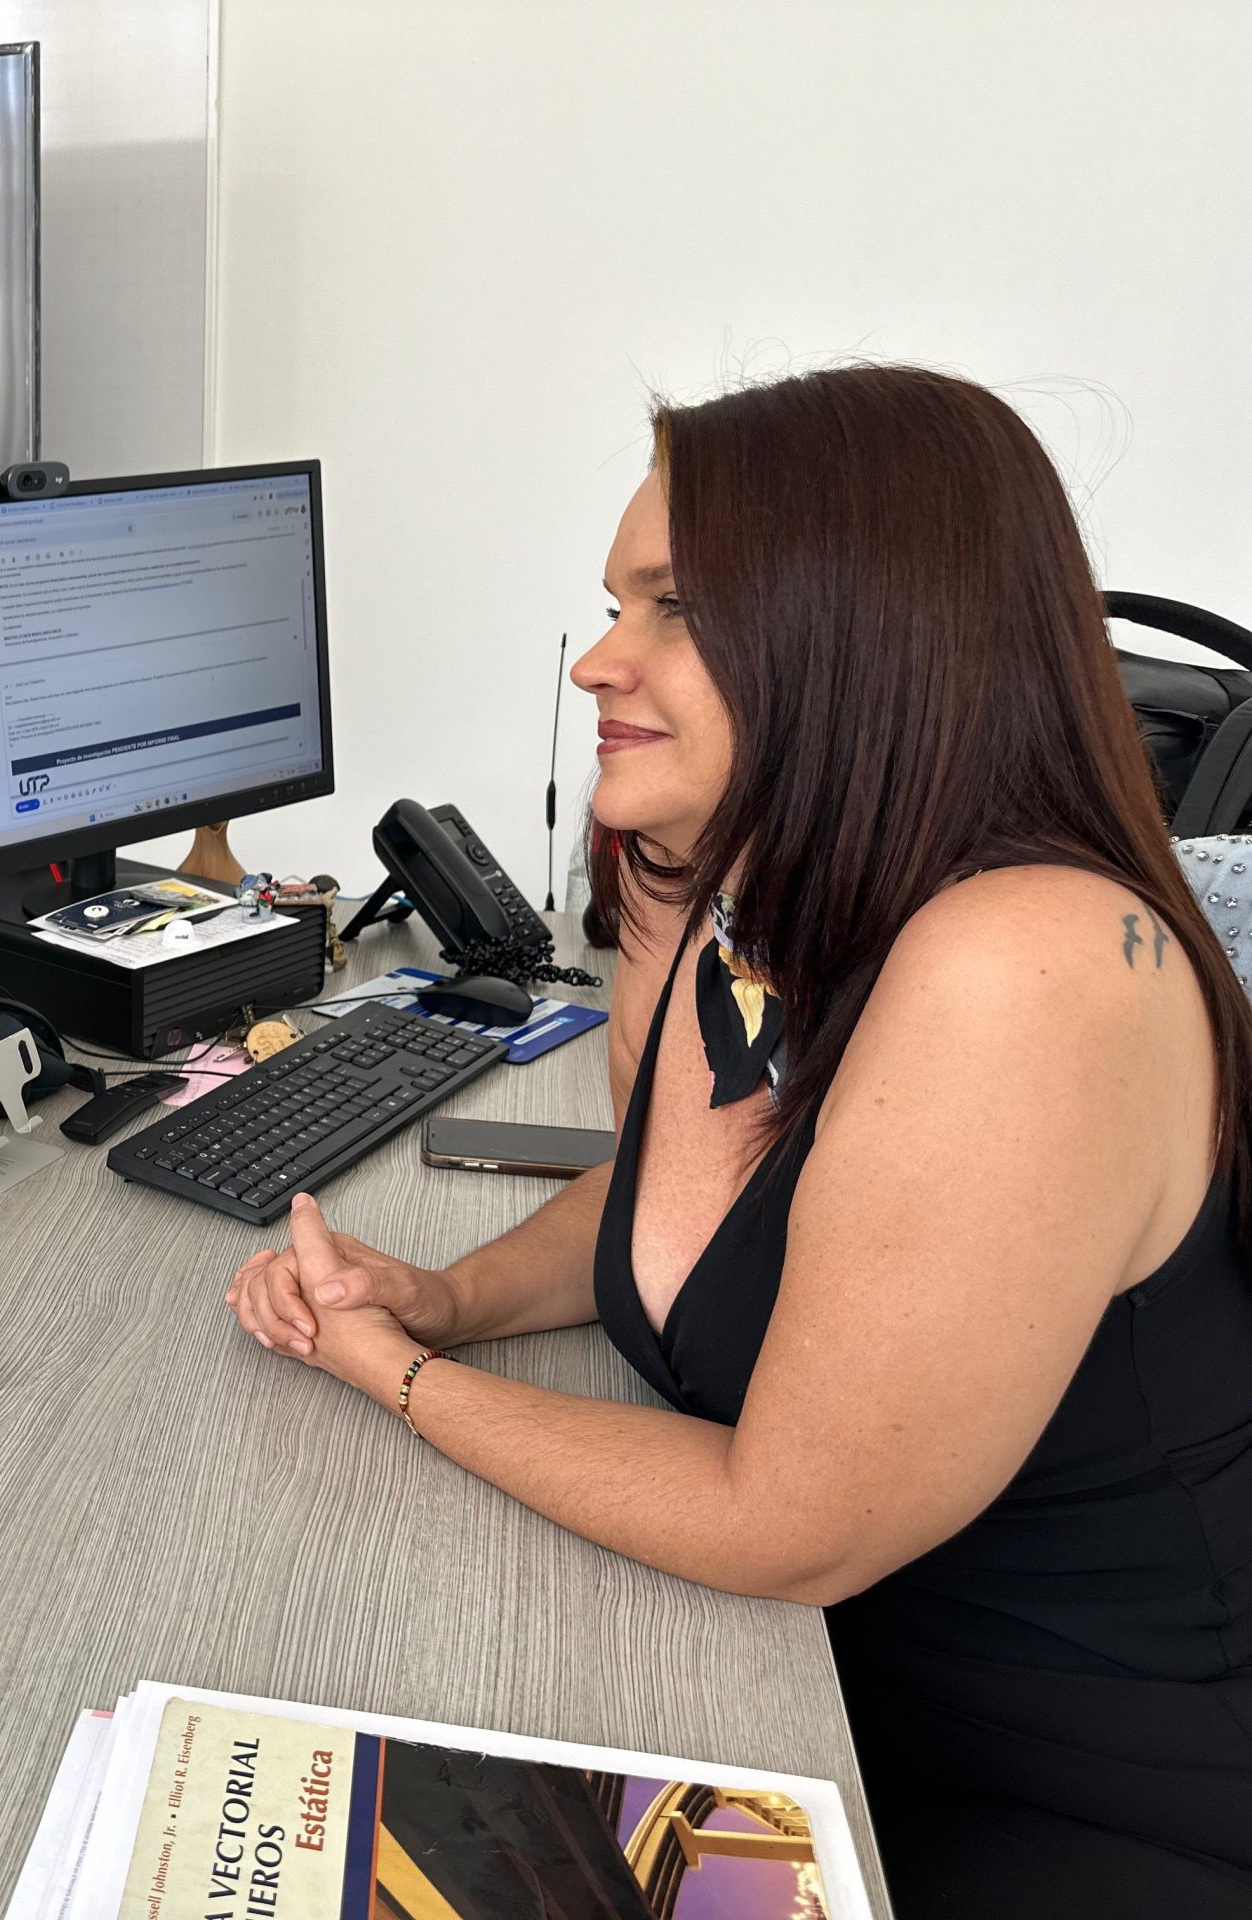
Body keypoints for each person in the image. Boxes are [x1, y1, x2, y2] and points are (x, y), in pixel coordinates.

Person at [226, 365, 1252, 1914]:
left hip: (1083, 1792)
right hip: (813, 1695)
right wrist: (447, 1298)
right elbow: (675, 1218)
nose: (595, 661)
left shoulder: (1023, 967)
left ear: (873, 627)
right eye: (612, 605)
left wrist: (401, 1379)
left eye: (674, 608)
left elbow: (787, 1525)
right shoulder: (747, 894)